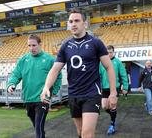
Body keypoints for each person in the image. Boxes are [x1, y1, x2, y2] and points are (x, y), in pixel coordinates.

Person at [41, 9, 118, 138]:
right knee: (80, 133)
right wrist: (46, 87)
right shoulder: (65, 46)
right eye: (71, 21)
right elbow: (55, 69)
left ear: (85, 24)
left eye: (77, 21)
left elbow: (109, 67)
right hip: (74, 94)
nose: (73, 24)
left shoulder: (96, 43)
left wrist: (113, 92)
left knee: (87, 134)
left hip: (91, 93)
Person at [7, 34, 62, 138]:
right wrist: (11, 84)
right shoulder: (23, 60)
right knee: (37, 126)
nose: (31, 48)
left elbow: (58, 76)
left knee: (38, 127)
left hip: (42, 98)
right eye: (29, 46)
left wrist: (53, 91)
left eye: (34, 45)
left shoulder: (50, 59)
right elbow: (16, 74)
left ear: (40, 44)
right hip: (28, 98)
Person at [99, 45, 128, 135]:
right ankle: (113, 114)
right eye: (107, 52)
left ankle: (112, 125)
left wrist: (125, 87)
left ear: (113, 52)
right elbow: (99, 75)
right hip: (104, 88)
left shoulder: (118, 62)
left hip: (115, 88)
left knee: (112, 105)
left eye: (111, 52)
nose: (109, 54)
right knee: (104, 106)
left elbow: (123, 75)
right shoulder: (101, 63)